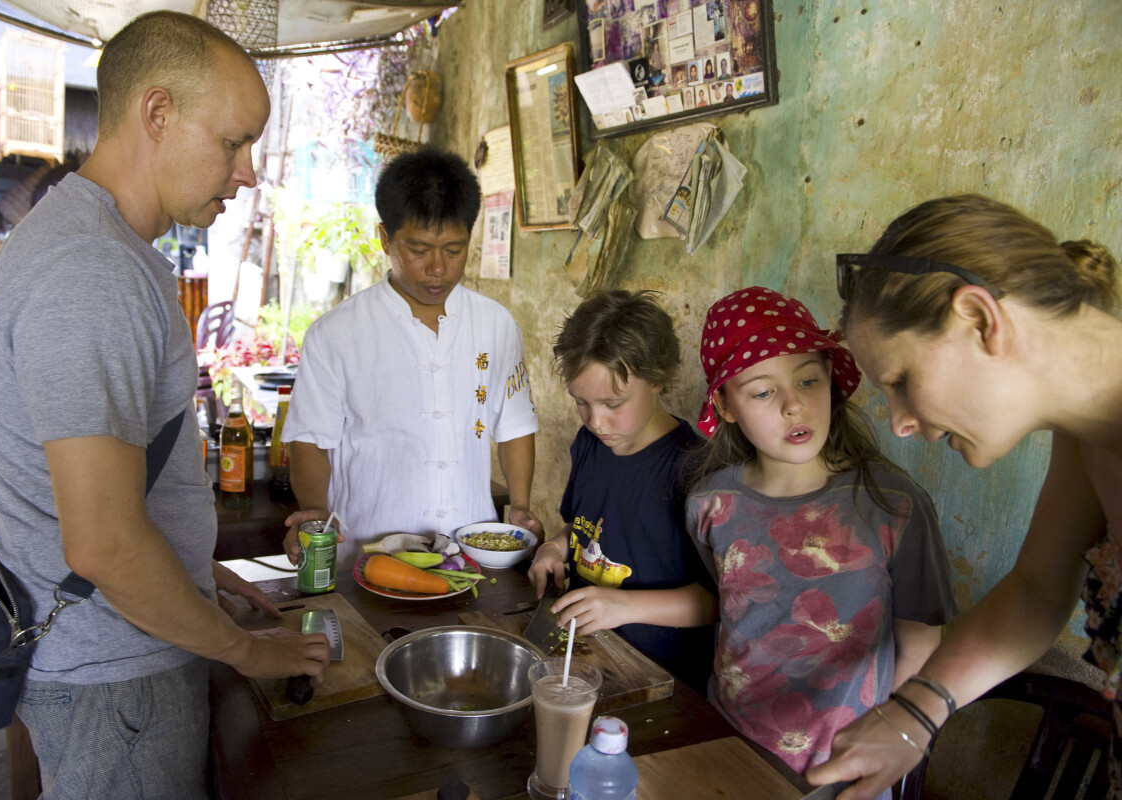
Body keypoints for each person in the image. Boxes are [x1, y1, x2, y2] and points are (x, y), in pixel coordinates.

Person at [0, 11, 331, 799]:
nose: (248, 172)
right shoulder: (92, 274)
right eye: (233, 141)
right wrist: (244, 648)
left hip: (108, 664)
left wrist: (200, 574)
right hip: (116, 684)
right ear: (157, 114)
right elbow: (103, 543)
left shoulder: (86, 245)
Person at [806, 194, 1122, 799]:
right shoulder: (1089, 437)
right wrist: (914, 713)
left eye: (900, 381)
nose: (898, 422)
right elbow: (1037, 589)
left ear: (980, 318)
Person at [685, 287, 957, 783]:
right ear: (725, 405)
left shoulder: (892, 506)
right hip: (729, 746)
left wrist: (886, 744)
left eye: (808, 379)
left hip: (846, 767)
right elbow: (733, 607)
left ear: (831, 380)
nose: (793, 405)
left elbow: (920, 646)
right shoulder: (711, 506)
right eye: (763, 391)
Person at [282, 149, 543, 571]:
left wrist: (520, 503)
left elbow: (514, 423)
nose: (438, 268)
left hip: (469, 553)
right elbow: (311, 439)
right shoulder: (335, 334)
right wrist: (313, 511)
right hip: (368, 554)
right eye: (419, 249)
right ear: (385, 237)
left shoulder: (496, 325)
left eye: (454, 249)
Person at [528, 290, 718, 692]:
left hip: (662, 680)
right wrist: (554, 549)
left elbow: (718, 601)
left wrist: (624, 606)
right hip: (586, 657)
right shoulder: (589, 445)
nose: (596, 421)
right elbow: (584, 529)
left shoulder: (696, 470)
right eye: (581, 402)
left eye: (613, 403)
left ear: (659, 381)